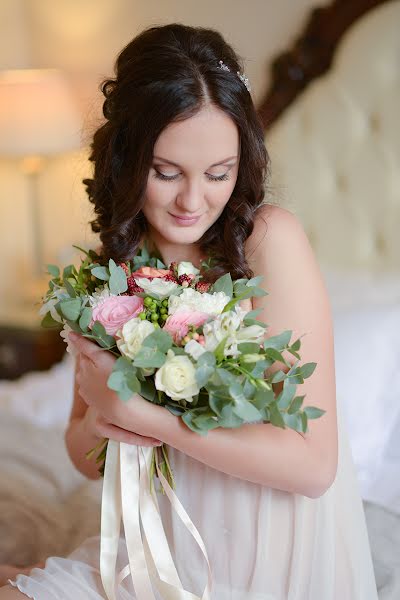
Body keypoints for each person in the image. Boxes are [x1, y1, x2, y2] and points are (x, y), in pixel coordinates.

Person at [1, 22, 378, 600]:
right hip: (149, 542)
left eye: (218, 174)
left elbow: (312, 466)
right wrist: (103, 420)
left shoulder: (269, 243)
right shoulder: (118, 262)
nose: (192, 200)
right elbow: (83, 455)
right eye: (167, 172)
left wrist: (151, 421)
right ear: (127, 159)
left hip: (253, 558)